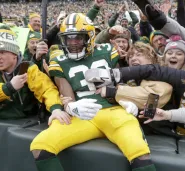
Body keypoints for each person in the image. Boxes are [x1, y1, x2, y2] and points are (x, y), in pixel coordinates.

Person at [30, 13, 156, 171]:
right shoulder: (59, 60)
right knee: (40, 145)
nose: (73, 43)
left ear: (89, 37)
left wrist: (127, 98)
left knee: (139, 152)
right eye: (68, 38)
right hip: (82, 115)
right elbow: (66, 95)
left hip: (114, 111)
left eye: (78, 38)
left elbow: (121, 80)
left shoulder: (108, 50)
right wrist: (71, 107)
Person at [85, 43, 185, 137]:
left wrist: (115, 93)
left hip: (184, 137)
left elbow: (153, 97)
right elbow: (149, 113)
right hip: (154, 131)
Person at [0, 23, 66, 120]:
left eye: (2, 52)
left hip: (23, 123)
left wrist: (55, 108)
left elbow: (46, 88)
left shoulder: (27, 68)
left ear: (14, 53)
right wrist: (9, 87)